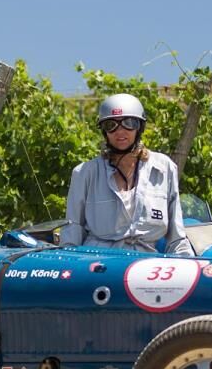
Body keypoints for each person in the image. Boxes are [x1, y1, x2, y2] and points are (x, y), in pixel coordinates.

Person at [61, 93, 190, 255]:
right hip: (96, 263)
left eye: (129, 123)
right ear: (104, 131)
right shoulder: (85, 173)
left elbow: (177, 236)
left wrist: (189, 265)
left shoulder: (164, 168)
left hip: (146, 265)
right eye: (111, 125)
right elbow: (73, 229)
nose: (120, 131)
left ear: (140, 127)